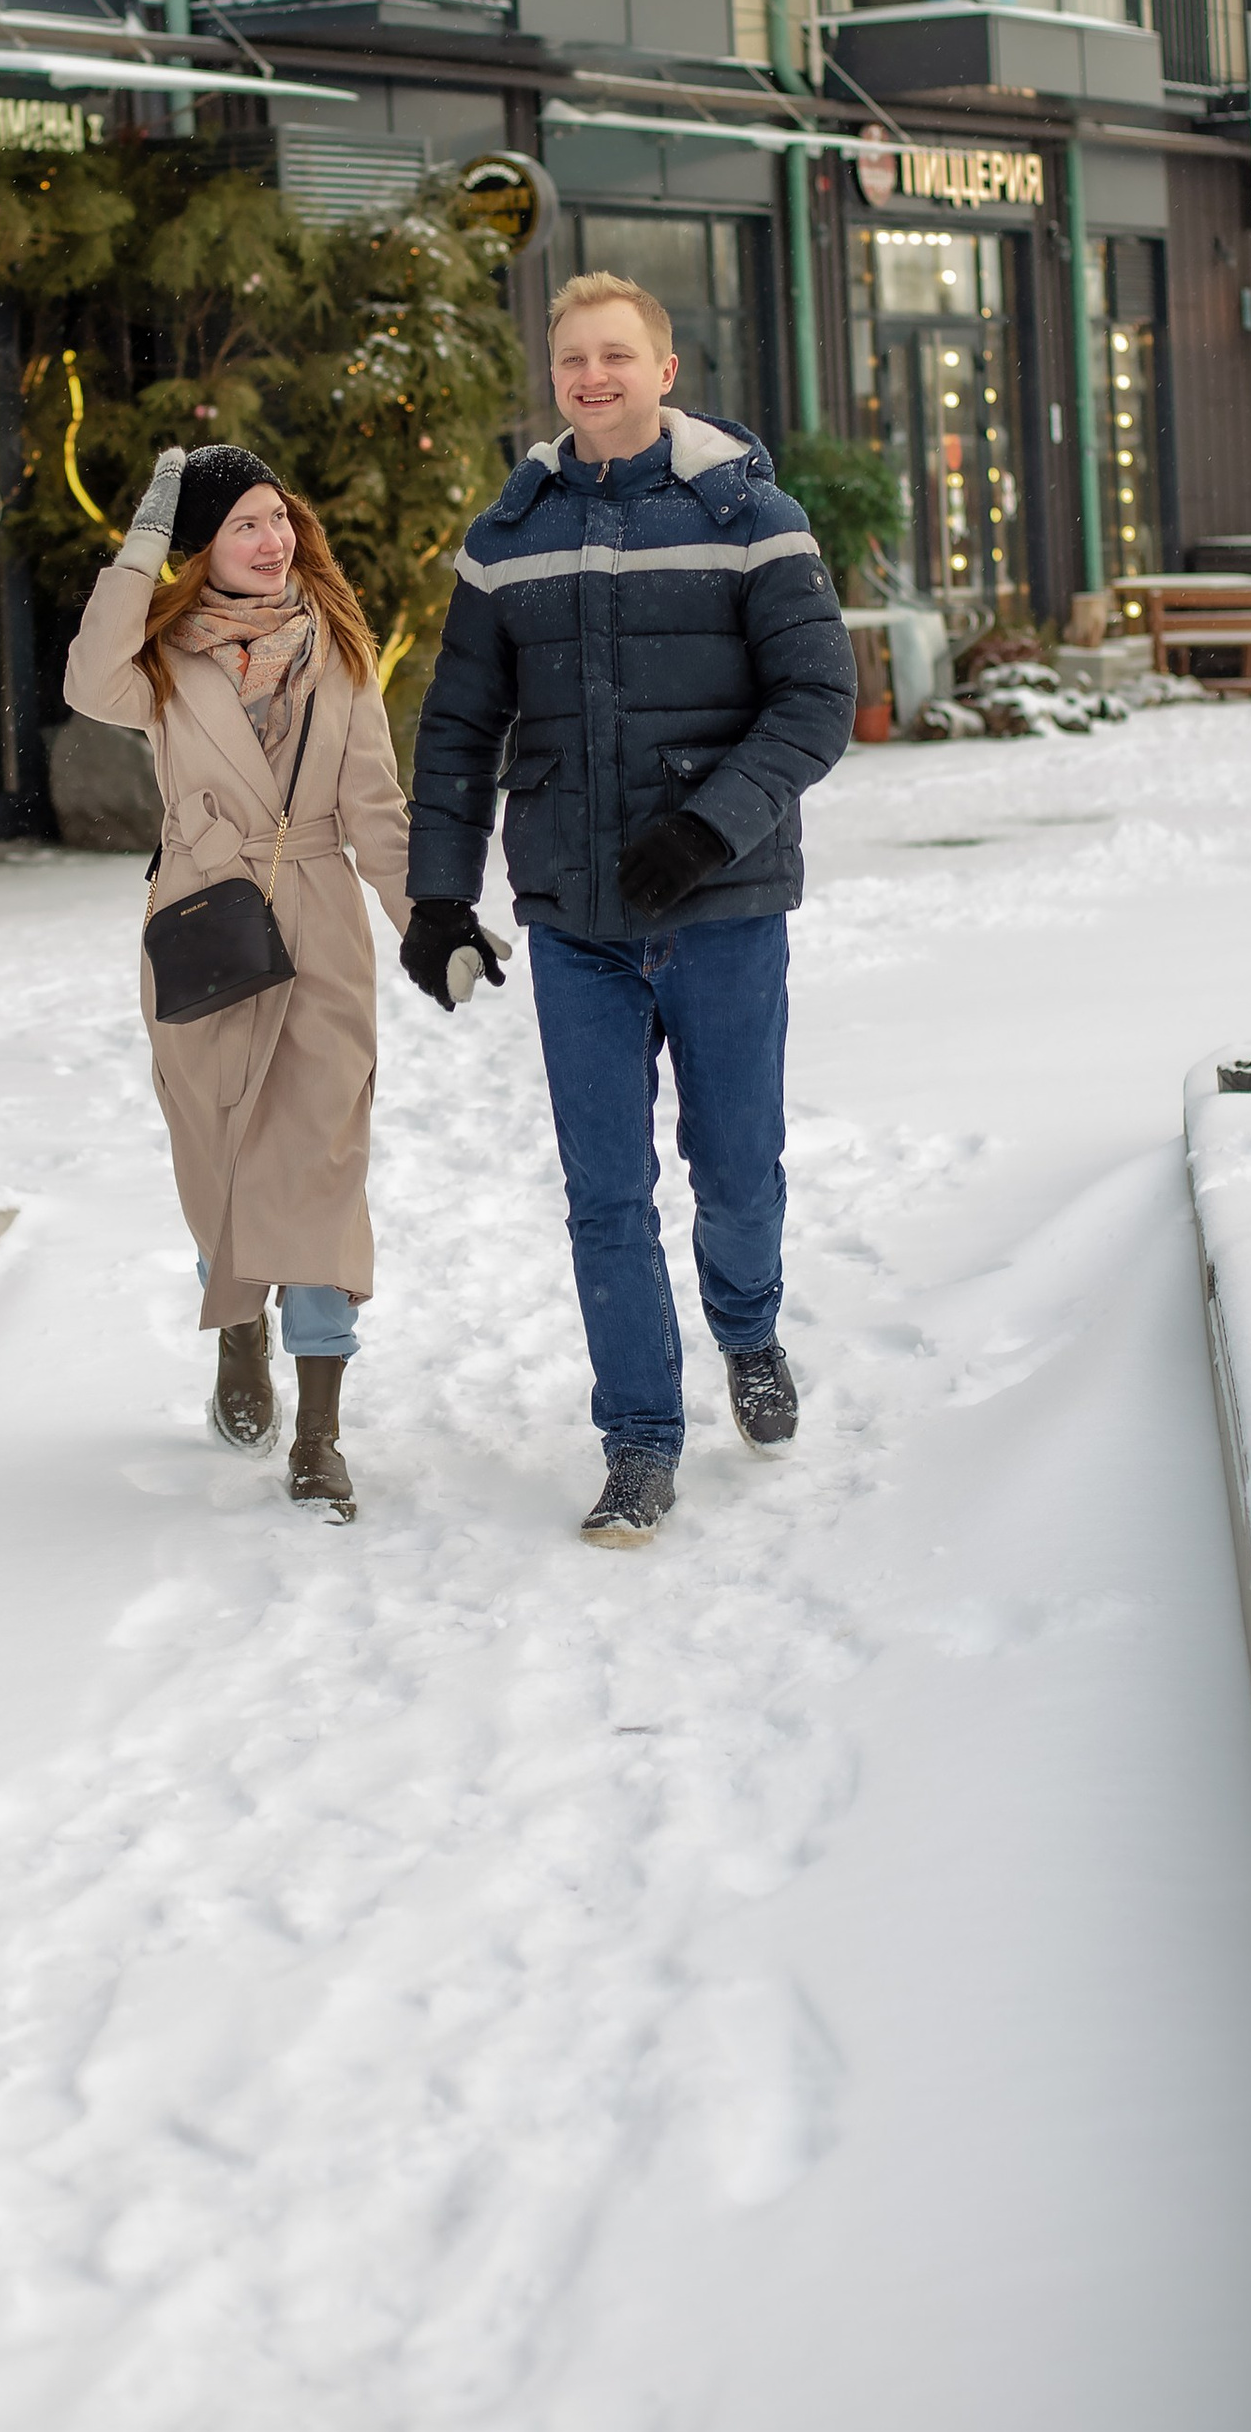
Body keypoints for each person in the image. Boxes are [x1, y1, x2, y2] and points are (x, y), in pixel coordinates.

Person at [400, 272, 856, 1547]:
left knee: (736, 1171)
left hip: (724, 910)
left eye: (615, 355)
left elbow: (818, 700)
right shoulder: (509, 536)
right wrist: (440, 894)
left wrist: (706, 829)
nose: (591, 377)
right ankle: (639, 1440)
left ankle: (748, 1328)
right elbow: (458, 726)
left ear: (664, 369)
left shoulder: (751, 516)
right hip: (574, 921)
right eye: (571, 360)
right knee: (604, 1193)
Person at [64, 440, 417, 1520]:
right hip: (205, 920)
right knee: (219, 1159)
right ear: (200, 550)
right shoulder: (163, 661)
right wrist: (143, 537)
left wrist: (429, 925)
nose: (271, 542)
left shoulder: (339, 652)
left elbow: (375, 810)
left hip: (319, 926)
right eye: (242, 525)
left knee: (319, 1166)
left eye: (278, 518)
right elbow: (86, 679)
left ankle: (319, 1431)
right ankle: (237, 1326)